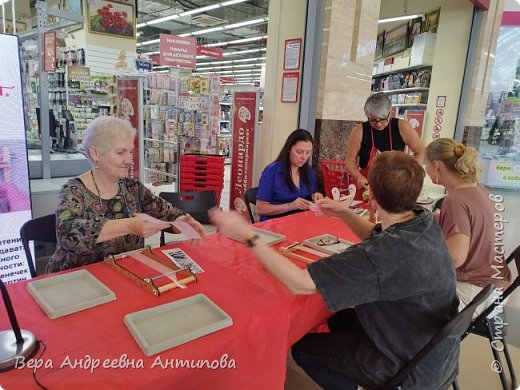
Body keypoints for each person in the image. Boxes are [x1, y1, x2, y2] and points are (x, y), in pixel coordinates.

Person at [210, 151, 459, 390]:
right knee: (335, 316)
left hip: (408, 367)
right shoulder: (422, 220)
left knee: (303, 349)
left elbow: (300, 283)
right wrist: (344, 213)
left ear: (370, 194)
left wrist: (249, 236)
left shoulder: (380, 255)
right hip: (434, 352)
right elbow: (378, 235)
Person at [46, 116, 205, 273]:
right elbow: (67, 233)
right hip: (78, 282)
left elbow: (166, 213)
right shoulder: (74, 190)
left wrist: (182, 222)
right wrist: (129, 225)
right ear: (95, 153)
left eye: (130, 152)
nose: (129, 160)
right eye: (121, 152)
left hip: (126, 275)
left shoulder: (132, 188)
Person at [424, 138, 511, 314]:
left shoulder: (454, 200)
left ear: (435, 165)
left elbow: (456, 258)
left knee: (403, 298)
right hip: (496, 289)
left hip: (476, 293)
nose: (426, 170)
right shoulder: (479, 190)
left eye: (425, 165)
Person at [344, 93, 425, 197]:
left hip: (395, 185)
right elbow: (349, 161)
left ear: (389, 113)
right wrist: (358, 177)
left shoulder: (402, 126)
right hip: (368, 186)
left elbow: (421, 151)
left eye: (382, 119)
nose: (378, 124)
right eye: (373, 120)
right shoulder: (359, 130)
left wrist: (409, 172)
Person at [255, 129, 323, 221]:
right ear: (289, 149)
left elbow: (311, 199)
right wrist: (290, 206)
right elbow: (260, 209)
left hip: (300, 223)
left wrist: (315, 196)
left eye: (308, 153)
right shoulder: (272, 171)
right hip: (275, 226)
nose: (304, 157)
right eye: (299, 152)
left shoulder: (308, 172)